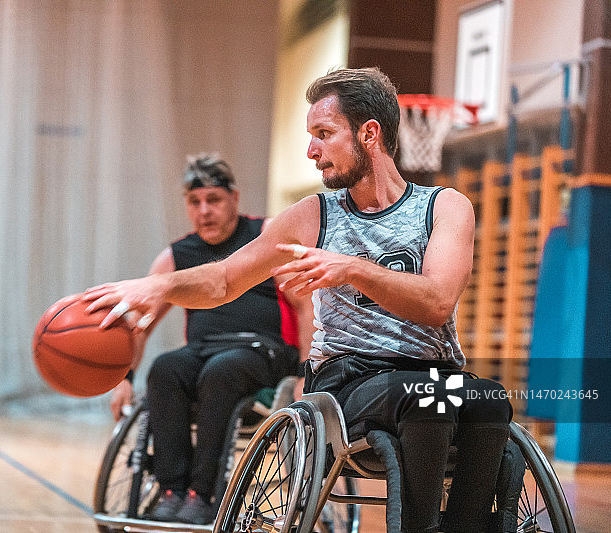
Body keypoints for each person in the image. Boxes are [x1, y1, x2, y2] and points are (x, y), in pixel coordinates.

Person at [85, 68, 513, 533]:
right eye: (311, 136)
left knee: (490, 399)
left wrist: (350, 268)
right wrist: (161, 286)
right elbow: (225, 279)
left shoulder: (445, 207)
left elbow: (435, 302)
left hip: (432, 372)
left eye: (324, 135)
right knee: (425, 399)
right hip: (348, 381)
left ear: (369, 133)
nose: (312, 151)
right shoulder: (311, 215)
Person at [107, 153, 313, 525]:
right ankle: (172, 489)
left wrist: (306, 373)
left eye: (214, 200)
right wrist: (124, 379)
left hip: (261, 351)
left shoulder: (266, 236)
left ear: (234, 198)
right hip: (203, 351)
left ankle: (204, 494)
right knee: (166, 368)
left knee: (222, 371)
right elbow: (140, 324)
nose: (205, 210)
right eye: (195, 202)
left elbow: (305, 306)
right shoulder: (176, 256)